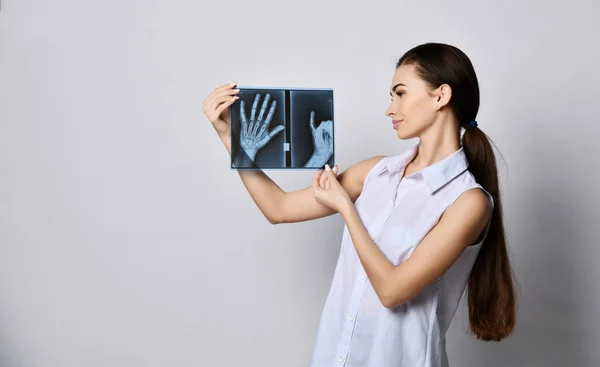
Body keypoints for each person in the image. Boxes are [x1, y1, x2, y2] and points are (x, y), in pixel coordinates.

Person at [202, 42, 516, 367]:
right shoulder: (375, 173)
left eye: (400, 93)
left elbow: (392, 291)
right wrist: (232, 138)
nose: (390, 109)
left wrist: (346, 209)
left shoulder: (468, 202)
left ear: (440, 96)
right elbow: (278, 208)